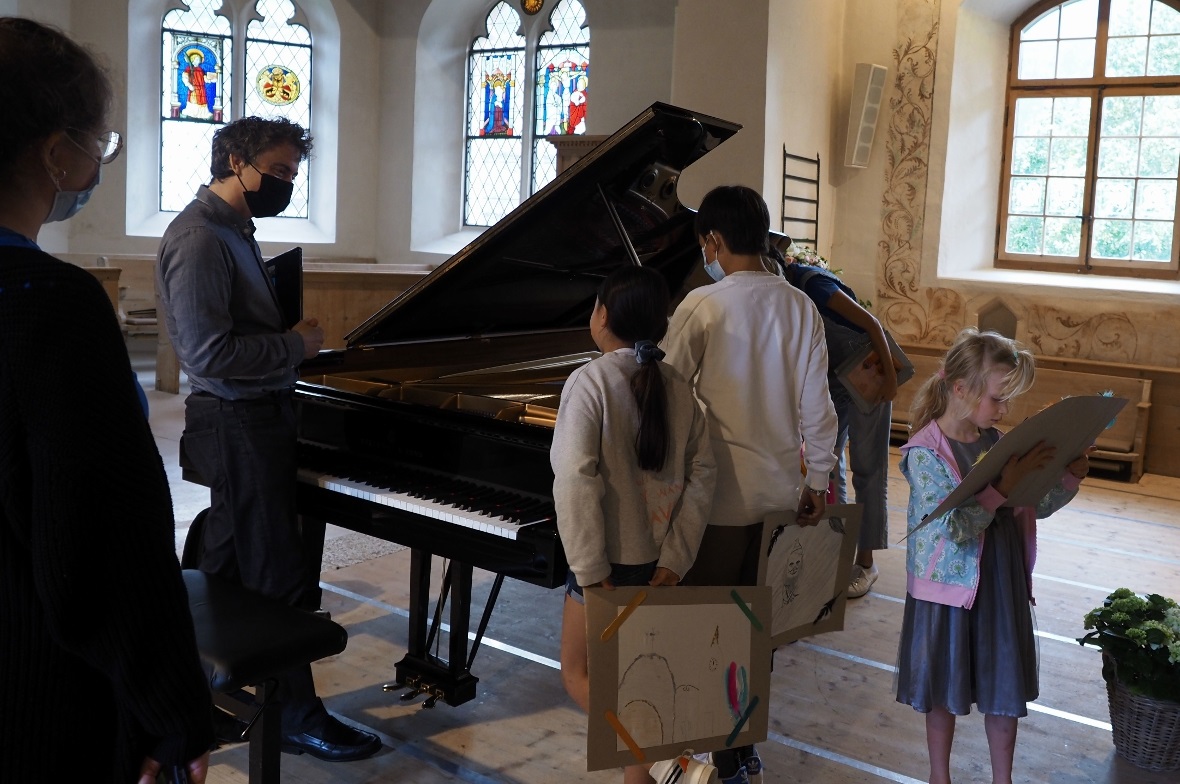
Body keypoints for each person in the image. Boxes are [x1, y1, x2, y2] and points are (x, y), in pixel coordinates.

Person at [0, 16, 214, 783]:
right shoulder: (47, 303)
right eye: (100, 143)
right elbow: (96, 544)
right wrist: (173, 710)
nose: (97, 162)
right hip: (30, 692)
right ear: (57, 153)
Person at [156, 115, 381, 762]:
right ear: (236, 160)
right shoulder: (202, 238)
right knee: (277, 573)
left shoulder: (234, 230)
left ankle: (198, 693)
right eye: (278, 170)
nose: (286, 183)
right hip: (238, 423)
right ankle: (297, 717)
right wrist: (293, 346)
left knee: (224, 564)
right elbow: (208, 354)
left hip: (253, 419)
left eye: (292, 174)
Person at [660, 185, 839, 784]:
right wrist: (819, 479)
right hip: (779, 497)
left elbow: (667, 395)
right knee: (756, 628)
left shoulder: (702, 304)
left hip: (715, 502)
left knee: (708, 627)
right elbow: (818, 407)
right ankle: (742, 750)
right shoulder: (800, 307)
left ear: (713, 240)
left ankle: (710, 756)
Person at [895, 328, 1095, 784]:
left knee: (1003, 688)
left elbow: (1035, 504)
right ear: (960, 389)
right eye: (997, 399)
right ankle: (939, 776)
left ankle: (1002, 779)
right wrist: (1003, 485)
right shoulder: (925, 453)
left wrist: (1069, 475)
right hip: (947, 592)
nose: (1003, 411)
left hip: (999, 580)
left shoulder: (997, 442)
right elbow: (955, 528)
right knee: (943, 691)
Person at [552, 266, 717, 784]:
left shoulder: (589, 382)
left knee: (579, 675)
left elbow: (574, 479)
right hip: (660, 565)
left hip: (609, 567)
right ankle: (664, 767)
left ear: (601, 316)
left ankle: (671, 761)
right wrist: (676, 559)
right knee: (640, 684)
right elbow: (703, 476)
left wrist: (588, 567)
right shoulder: (679, 387)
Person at [778, 247, 898, 598]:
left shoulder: (812, 284)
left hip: (870, 373)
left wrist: (890, 376)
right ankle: (836, 550)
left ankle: (866, 562)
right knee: (827, 465)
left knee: (868, 469)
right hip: (835, 380)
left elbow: (872, 324)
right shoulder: (780, 299)